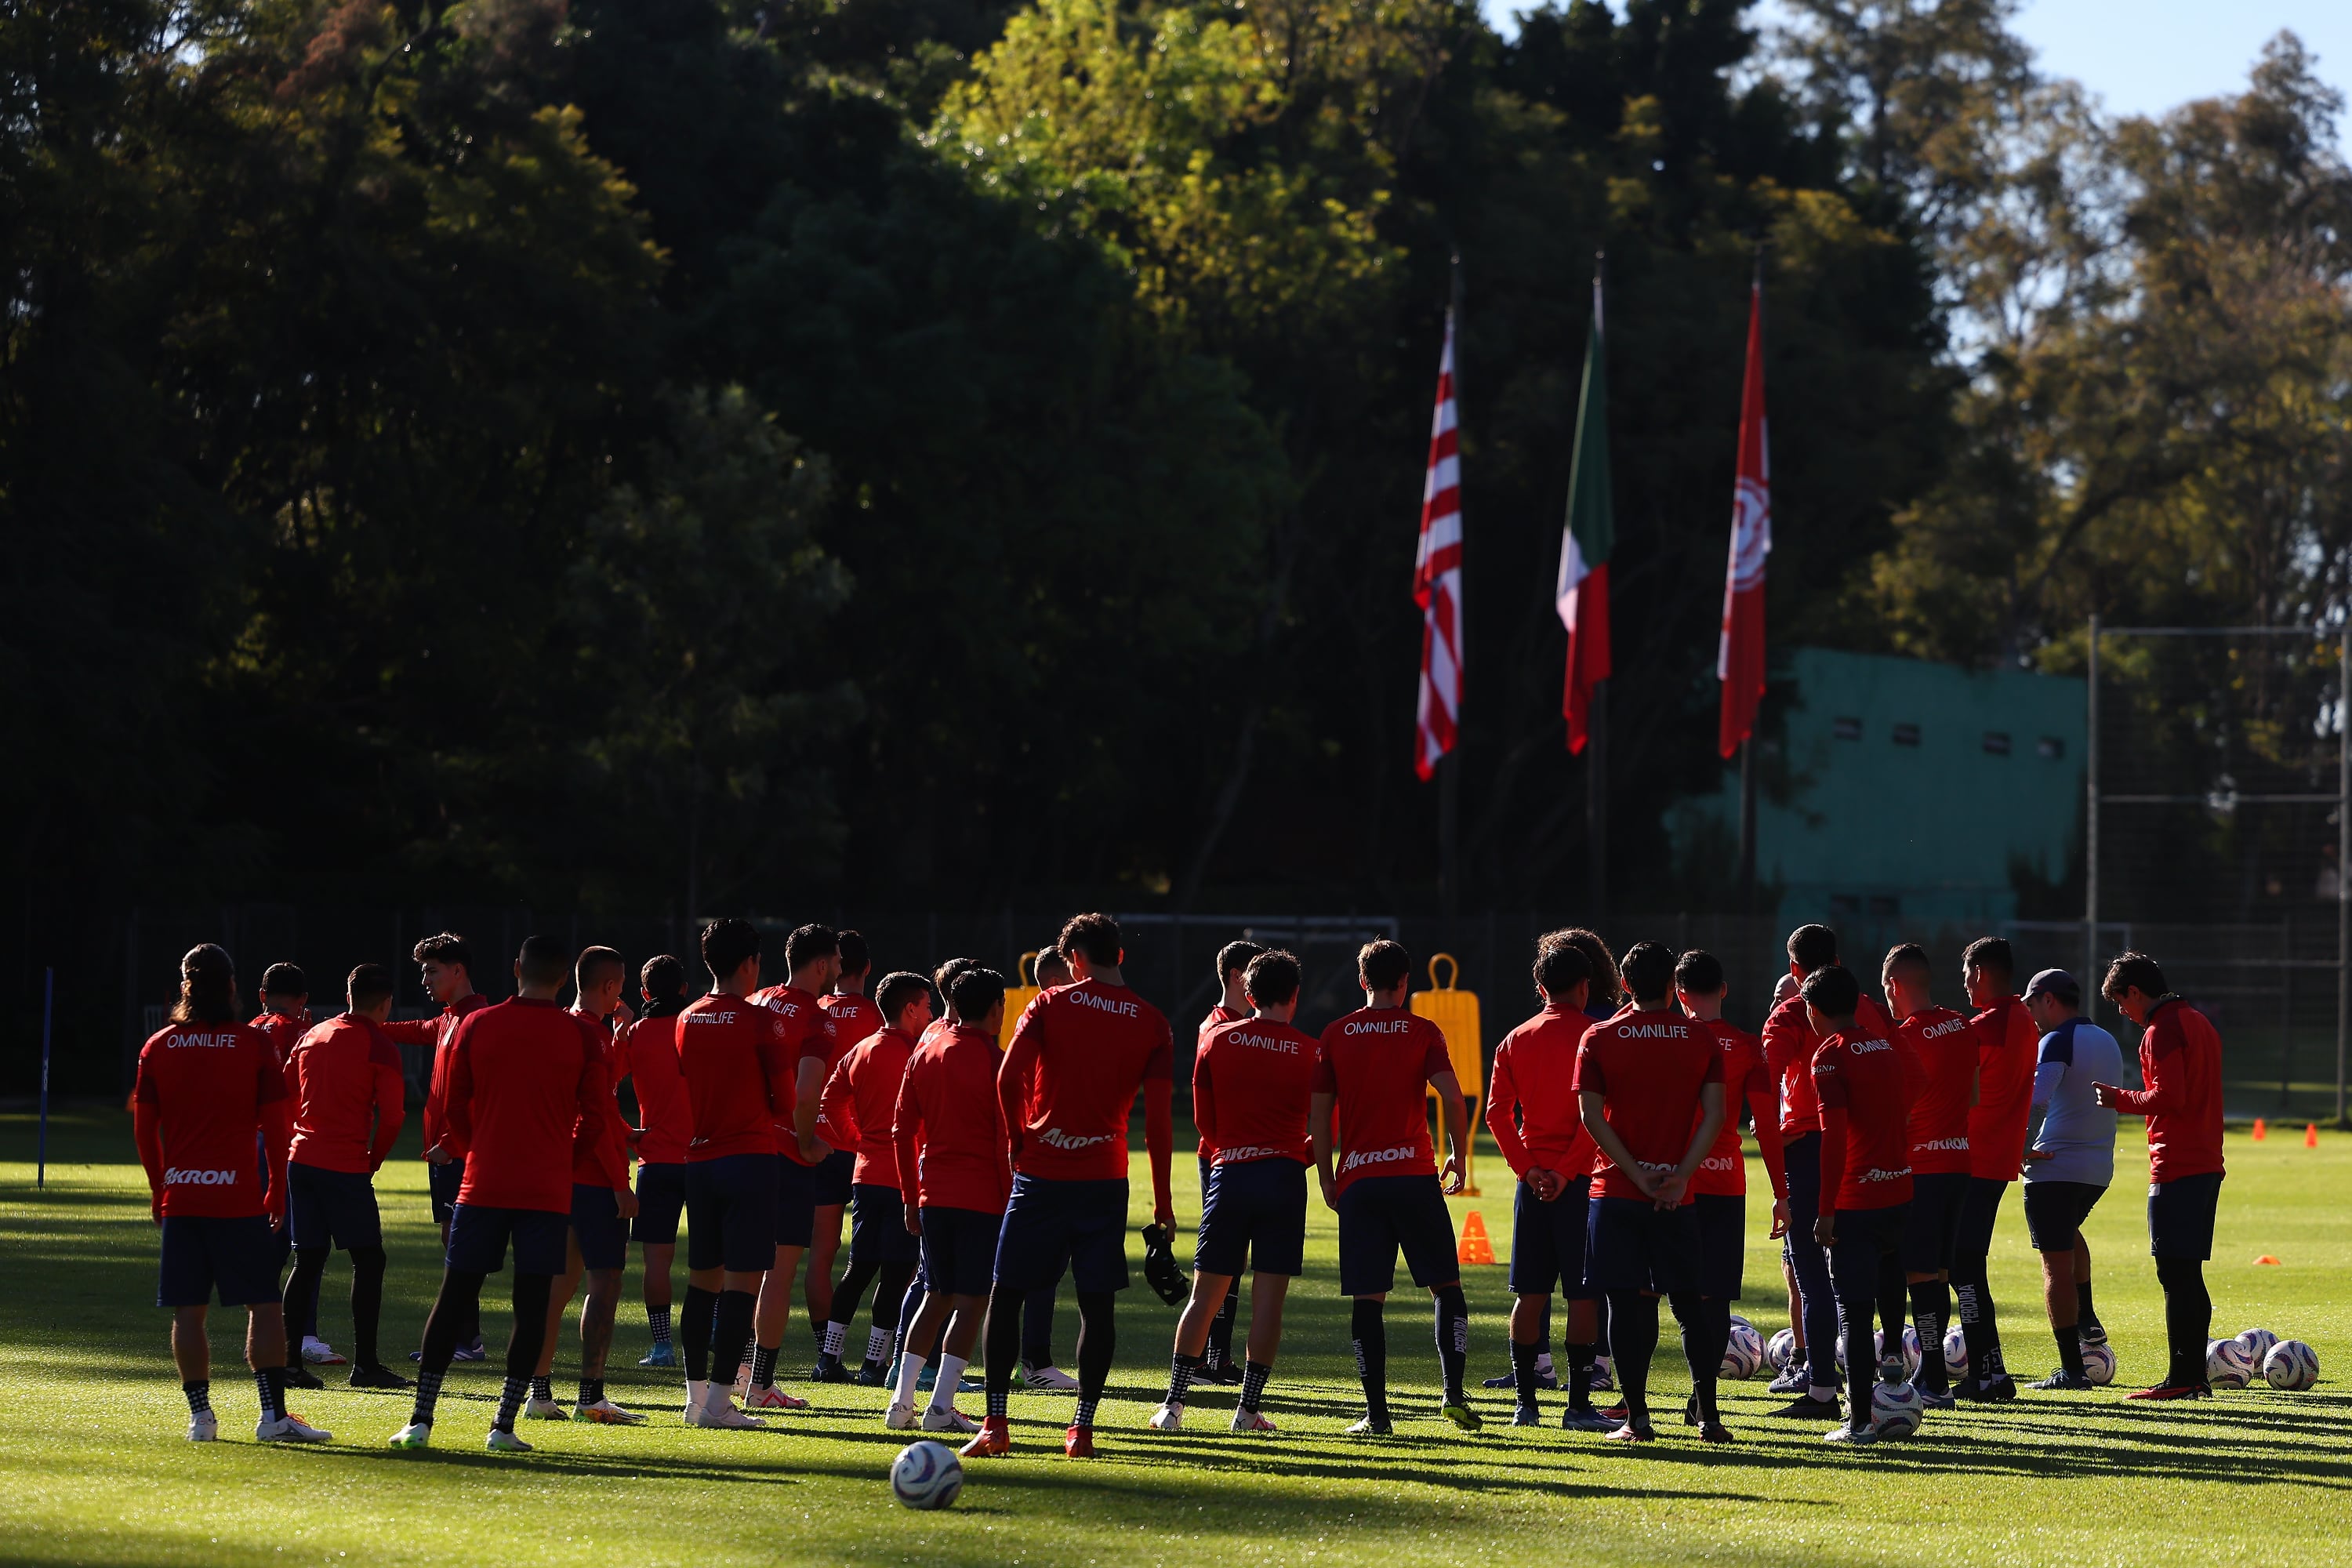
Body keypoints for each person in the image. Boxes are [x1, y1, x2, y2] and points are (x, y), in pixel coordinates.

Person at [964, 912, 1178, 1460]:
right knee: (1096, 1306)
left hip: (1041, 1174)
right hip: (1104, 1182)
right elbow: (1157, 1124)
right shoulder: (1153, 1022)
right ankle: (1081, 1430)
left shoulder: (1048, 1004)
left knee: (1007, 1295)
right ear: (1120, 956)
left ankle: (995, 1426)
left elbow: (1007, 1079)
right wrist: (1164, 1203)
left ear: (1075, 960)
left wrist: (1016, 1140)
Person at [390, 935, 613, 1453]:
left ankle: (420, 1421)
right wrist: (566, 1162)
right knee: (532, 1305)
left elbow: (454, 1106)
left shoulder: (478, 1023)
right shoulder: (581, 1036)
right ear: (563, 980)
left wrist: (475, 1149)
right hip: (546, 1190)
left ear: (516, 969)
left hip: (483, 1183)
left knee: (454, 1296)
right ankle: (503, 1427)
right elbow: (597, 1118)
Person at [135, 944, 328, 1443]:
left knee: (188, 1311)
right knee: (264, 1306)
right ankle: (271, 1418)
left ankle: (201, 1419)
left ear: (185, 988)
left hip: (184, 1199)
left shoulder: (158, 1046)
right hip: (239, 1198)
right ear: (232, 988)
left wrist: (161, 1189)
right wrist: (278, 1194)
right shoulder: (252, 1045)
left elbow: (144, 1128)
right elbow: (279, 1128)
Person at [1313, 938, 1477, 1438]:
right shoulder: (1423, 1031)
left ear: (1362, 981)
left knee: (1369, 1298)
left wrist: (1326, 1174)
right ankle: (1452, 1394)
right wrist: (1458, 1153)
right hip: (1413, 1177)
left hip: (1360, 1180)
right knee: (1446, 1286)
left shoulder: (1336, 1034)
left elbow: (1320, 1115)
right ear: (1405, 984)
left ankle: (1377, 1414)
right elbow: (1452, 1095)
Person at [1150, 947, 1316, 1435]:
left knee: (1205, 1297)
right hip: (1284, 1180)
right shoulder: (1311, 1051)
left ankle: (1173, 1406)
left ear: (1248, 992)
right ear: (1295, 996)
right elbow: (1328, 1126)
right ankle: (1246, 1412)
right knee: (1269, 1304)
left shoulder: (1217, 1040)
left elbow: (1204, 1122)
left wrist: (1235, 1150)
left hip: (1231, 1174)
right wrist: (1302, 1154)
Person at [1573, 942, 1729, 1444]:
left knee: (1625, 1304)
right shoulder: (1700, 1039)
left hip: (1617, 1191)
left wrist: (1637, 1175)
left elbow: (1591, 1116)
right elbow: (1717, 1115)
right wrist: (1679, 1175)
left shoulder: (1599, 1037)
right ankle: (1708, 1417)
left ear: (1623, 986)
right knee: (1689, 1305)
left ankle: (1637, 1418)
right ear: (1671, 988)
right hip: (1676, 1194)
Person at [1761, 924, 1894, 1420]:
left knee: (1815, 1276)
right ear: (1837, 961)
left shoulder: (1792, 1015)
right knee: (1878, 1265)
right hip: (1876, 1150)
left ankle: (1822, 1389)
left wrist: (1777, 1126)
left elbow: (1765, 1083)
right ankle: (1894, 1373)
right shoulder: (1872, 1012)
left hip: (1813, 1150)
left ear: (1795, 970)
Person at [670, 919, 795, 1430]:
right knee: (743, 1284)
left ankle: (695, 1398)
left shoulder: (686, 1018)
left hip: (699, 1163)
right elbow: (784, 1102)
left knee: (702, 1284)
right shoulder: (761, 1022)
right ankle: (721, 1404)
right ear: (750, 964)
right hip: (749, 1159)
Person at [2092, 953, 2227, 1400]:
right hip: (2206, 1161)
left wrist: (2118, 1098)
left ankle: (2184, 1379)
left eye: (2120, 1002)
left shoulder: (2162, 1028)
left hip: (2177, 1163)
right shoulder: (2198, 1021)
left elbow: (2169, 1096)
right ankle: (2194, 1379)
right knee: (2187, 1272)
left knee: (2175, 1274)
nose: (2122, 1012)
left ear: (2135, 992)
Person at [1486, 937, 1607, 1429]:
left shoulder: (1515, 1040)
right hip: (1578, 1182)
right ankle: (1578, 1407)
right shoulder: (1595, 1036)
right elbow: (1598, 1114)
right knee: (1583, 1296)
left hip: (1532, 1185)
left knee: (1529, 1295)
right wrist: (1567, 1169)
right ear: (1584, 987)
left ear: (1540, 988)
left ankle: (1526, 1405)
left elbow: (1497, 1114)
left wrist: (1529, 1169)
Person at [522, 946, 642, 1424]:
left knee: (558, 1287)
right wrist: (620, 1185)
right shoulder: (590, 1035)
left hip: (560, 1178)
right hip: (595, 1178)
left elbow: (598, 1102)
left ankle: (538, 1392)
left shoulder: (567, 1028)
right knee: (605, 1283)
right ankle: (590, 1394)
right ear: (611, 988)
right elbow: (594, 1118)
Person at [279, 964, 409, 1396]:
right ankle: (366, 1364)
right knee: (369, 1260)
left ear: (348, 994)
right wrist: (375, 1157)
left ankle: (290, 1363)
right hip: (344, 1163)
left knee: (307, 1260)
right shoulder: (380, 1045)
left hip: (303, 1159)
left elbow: (286, 1097)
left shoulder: (312, 1034)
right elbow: (392, 1116)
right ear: (386, 1003)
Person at [895, 968, 1014, 1435]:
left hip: (933, 1195)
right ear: (996, 1009)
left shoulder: (925, 1050)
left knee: (935, 1295)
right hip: (981, 1197)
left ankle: (901, 1402)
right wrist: (1010, 1203)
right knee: (973, 1302)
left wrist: (910, 1195)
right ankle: (941, 1406)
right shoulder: (996, 1062)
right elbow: (1006, 1140)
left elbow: (901, 1130)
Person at [1802, 964, 1916, 1446]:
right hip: (1900, 1192)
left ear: (1814, 1009)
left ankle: (1860, 1421)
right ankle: (1892, 1372)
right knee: (1890, 1287)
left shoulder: (1829, 1056)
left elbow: (1833, 1138)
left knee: (1853, 1309)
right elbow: (1918, 1089)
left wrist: (1825, 1209)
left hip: (1857, 1198)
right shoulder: (1887, 1044)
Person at [1677, 948, 1784, 1429]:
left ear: (1680, 995)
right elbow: (1768, 1124)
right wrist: (1782, 1193)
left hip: (1672, 1180)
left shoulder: (1670, 1038)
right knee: (1714, 1297)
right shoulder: (1746, 1046)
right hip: (1725, 1180)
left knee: (1664, 1294)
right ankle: (1707, 1402)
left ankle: (1636, 1403)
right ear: (1723, 990)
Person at [814, 969, 931, 1385]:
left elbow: (829, 1099)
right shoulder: (920, 1054)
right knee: (897, 1273)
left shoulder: (861, 1049)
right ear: (911, 1008)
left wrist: (856, 1139)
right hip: (904, 1177)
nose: (930, 1014)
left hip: (866, 1174)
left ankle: (828, 1356)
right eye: (927, 1006)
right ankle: (873, 1363)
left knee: (859, 1268)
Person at [741, 924, 840, 1410]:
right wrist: (806, 1142)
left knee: (740, 1267)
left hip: (741, 1147)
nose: (839, 971)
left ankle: (734, 1372)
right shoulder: (818, 1020)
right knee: (779, 1272)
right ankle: (760, 1383)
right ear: (820, 965)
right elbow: (805, 1093)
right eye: (836, 962)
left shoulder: (757, 999)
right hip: (784, 1154)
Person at [383, 932, 490, 1363]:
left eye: (432, 970)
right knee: (454, 1242)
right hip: (443, 1153)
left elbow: (480, 1093)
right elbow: (416, 1030)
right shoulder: (449, 1018)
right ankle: (467, 1338)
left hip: (459, 1153)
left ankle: (464, 1340)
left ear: (457, 971)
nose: (425, 980)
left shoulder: (479, 1018)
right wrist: (366, 1023)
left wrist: (452, 1142)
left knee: (460, 1242)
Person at [2016, 968, 2122, 1391]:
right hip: (2098, 1169)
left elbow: (2037, 1099)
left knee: (2054, 1264)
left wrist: (2019, 1145)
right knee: (2067, 1235)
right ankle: (2088, 1318)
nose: (2031, 1013)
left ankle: (2072, 1370)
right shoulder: (2107, 1038)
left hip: (2054, 1167)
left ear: (2048, 999)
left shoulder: (2056, 1040)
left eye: (2031, 1003)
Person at [1882, 942, 1976, 1408]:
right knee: (1938, 1271)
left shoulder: (1906, 1036)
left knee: (1917, 1271)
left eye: (1886, 991)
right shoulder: (1960, 1024)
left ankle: (1934, 1379)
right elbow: (1973, 1093)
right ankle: (1933, 1373)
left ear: (1896, 985)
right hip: (1959, 1160)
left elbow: (1897, 1106)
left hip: (1922, 1165)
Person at [1954, 936, 2039, 1401]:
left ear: (1981, 973)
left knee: (1962, 1267)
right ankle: (1991, 1370)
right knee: (1967, 1266)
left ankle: (1988, 1373)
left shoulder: (1992, 1022)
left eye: (1967, 975)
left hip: (1971, 1159)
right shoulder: (2022, 1020)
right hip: (1994, 1158)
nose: (1965, 986)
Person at [1188, 938, 1264, 1386]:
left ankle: (1217, 1357)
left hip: (1241, 1153)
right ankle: (1202, 1359)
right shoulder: (1217, 1026)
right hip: (1222, 1155)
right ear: (1238, 977)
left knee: (1234, 1260)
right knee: (1223, 1260)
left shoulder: (1245, 1023)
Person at [249, 962, 330, 1374]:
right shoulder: (301, 1032)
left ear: (261, 995)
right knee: (307, 1244)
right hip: (291, 1142)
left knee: (271, 1242)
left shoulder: (247, 1030)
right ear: (303, 1000)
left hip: (253, 1143)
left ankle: (264, 1331)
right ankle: (304, 1336)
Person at [808, 930, 882, 1362]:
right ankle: (885, 1357)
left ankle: (826, 1349)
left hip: (817, 1143)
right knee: (887, 1259)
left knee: (821, 1254)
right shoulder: (879, 1016)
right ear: (867, 968)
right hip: (866, 1149)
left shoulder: (814, 1010)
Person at [616, 956, 692, 1368]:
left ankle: (662, 1346)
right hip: (703, 1156)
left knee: (656, 1260)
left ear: (644, 994)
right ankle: (712, 1334)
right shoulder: (696, 1027)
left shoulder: (636, 1034)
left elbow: (599, 1086)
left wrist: (625, 1131)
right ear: (684, 989)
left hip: (656, 1160)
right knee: (712, 1257)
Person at [1019, 946, 1080, 1392]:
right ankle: (1035, 1361)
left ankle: (1034, 1360)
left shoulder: (1035, 1020)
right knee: (1041, 1268)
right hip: (1051, 1159)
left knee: (1044, 1267)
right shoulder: (1046, 1020)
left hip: (1052, 1156)